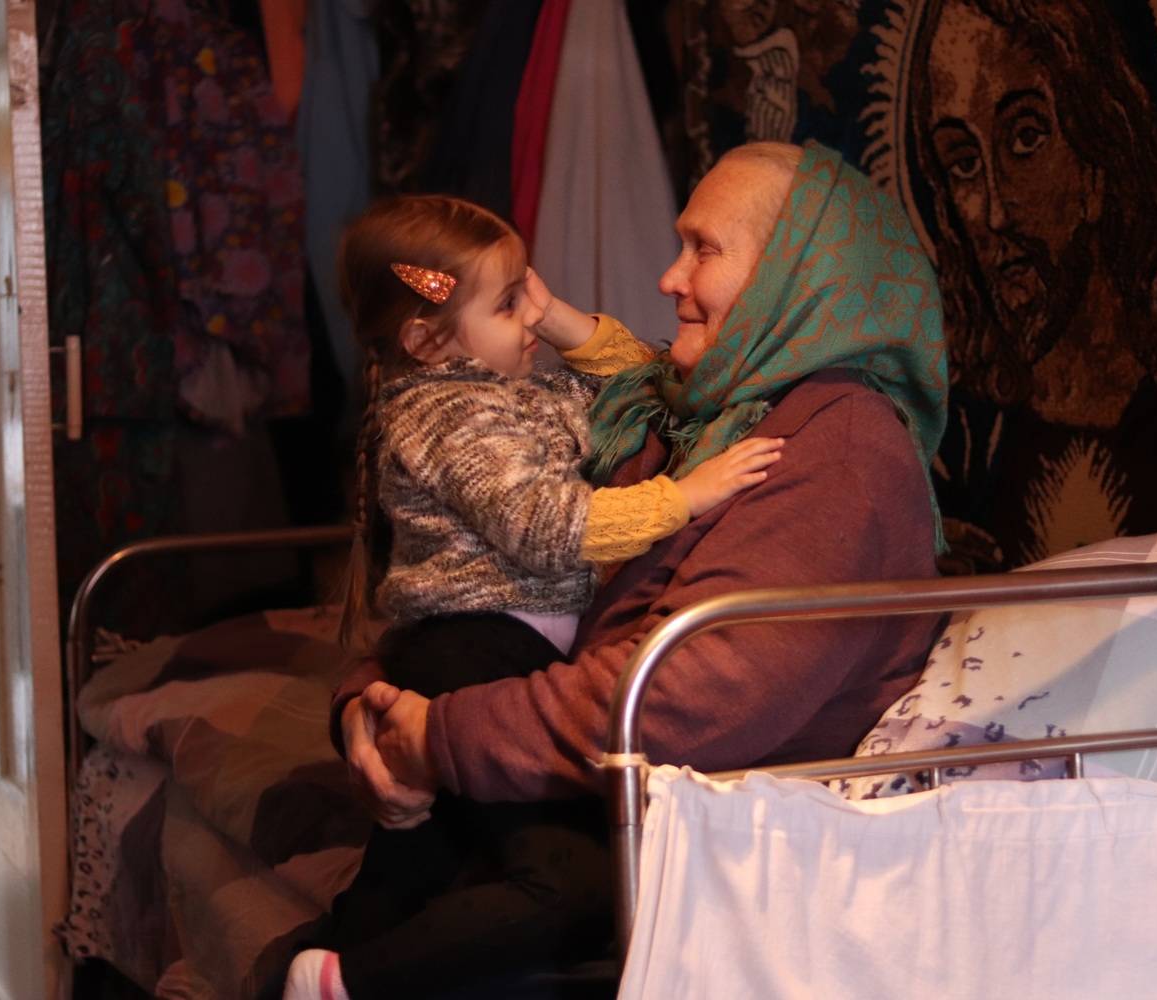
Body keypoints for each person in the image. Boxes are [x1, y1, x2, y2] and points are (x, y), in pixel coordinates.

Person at [327, 140, 948, 997]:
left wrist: (441, 737)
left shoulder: (836, 454)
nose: (667, 277)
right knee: (370, 916)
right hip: (570, 775)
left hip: (701, 858)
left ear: (789, 275)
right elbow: (478, 590)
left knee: (484, 918)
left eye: (703, 249)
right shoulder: (705, 409)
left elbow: (682, 700)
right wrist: (368, 710)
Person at [281, 194, 784, 1000]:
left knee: (415, 865)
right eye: (508, 304)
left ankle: (327, 964)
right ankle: (350, 981)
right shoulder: (451, 413)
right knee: (576, 886)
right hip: (472, 649)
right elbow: (551, 527)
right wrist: (687, 496)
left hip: (481, 645)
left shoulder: (513, 387)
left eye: (527, 294)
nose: (529, 317)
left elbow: (640, 381)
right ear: (426, 340)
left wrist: (552, 316)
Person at [904, 0, 1157, 568]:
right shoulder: (959, 443)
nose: (994, 212)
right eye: (964, 162)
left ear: (1101, 155)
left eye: (1025, 137)